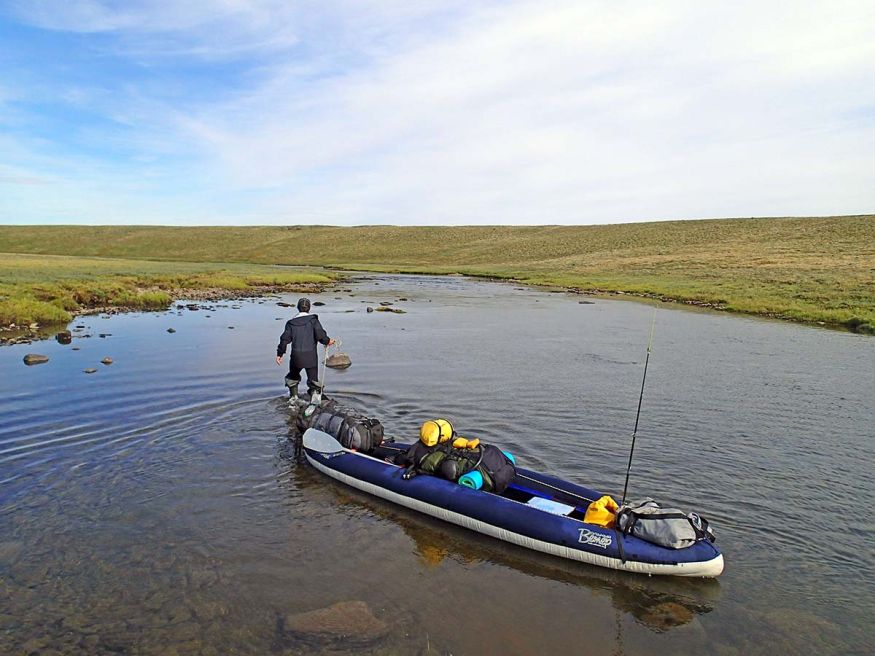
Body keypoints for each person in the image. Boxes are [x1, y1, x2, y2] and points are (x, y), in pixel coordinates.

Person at [275, 298, 335, 402]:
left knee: (292, 378)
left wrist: (280, 354)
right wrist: (328, 341)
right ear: (309, 308)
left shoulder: (290, 323)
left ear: (298, 308)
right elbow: (320, 335)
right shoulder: (313, 321)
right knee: (313, 381)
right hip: (311, 357)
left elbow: (284, 339)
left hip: (296, 357)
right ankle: (315, 402)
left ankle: (293, 399)